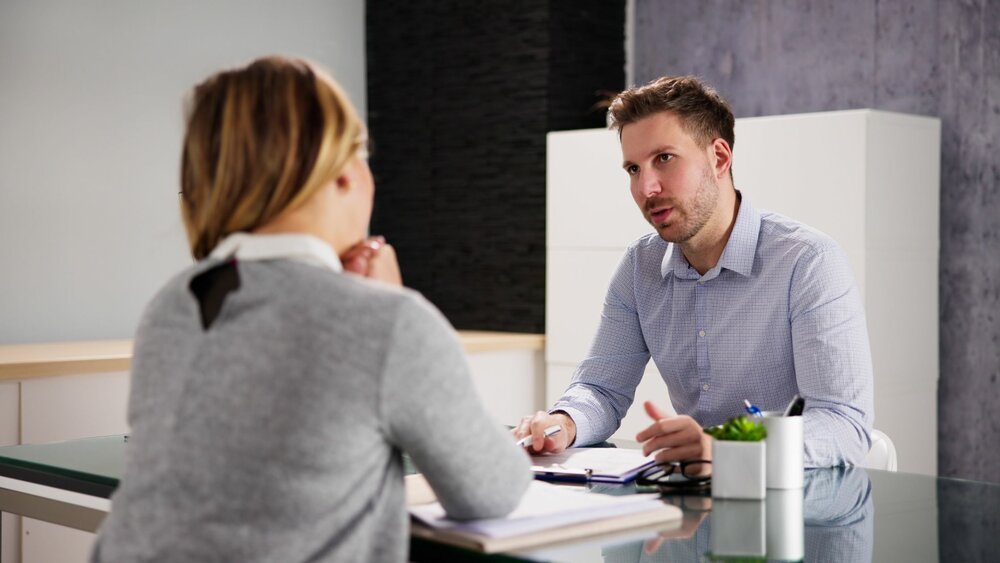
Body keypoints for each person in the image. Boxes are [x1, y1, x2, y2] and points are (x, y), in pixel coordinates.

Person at [91, 56, 531, 563]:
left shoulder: (173, 304)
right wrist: (383, 301)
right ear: (344, 174)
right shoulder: (387, 322)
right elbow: (493, 490)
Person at [514, 75, 873, 470]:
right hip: (694, 503)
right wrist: (563, 423)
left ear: (719, 158)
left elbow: (843, 424)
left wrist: (727, 446)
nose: (646, 187)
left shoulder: (809, 262)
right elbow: (602, 388)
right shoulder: (639, 267)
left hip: (799, 508)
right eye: (633, 168)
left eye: (664, 159)